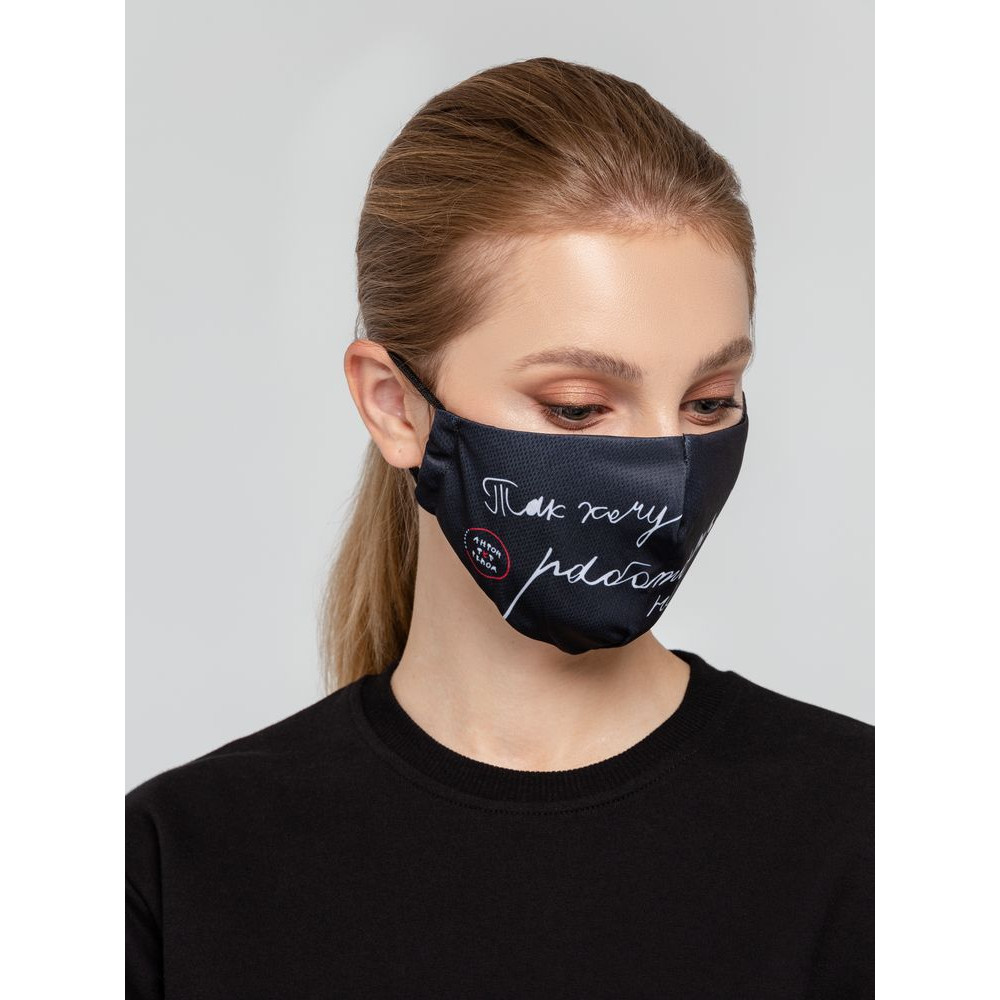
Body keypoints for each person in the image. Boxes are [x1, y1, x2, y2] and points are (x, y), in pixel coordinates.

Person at [126, 56, 874, 999]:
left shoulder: (880, 835)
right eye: (577, 408)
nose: (665, 469)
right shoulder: (175, 869)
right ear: (396, 406)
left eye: (709, 401)